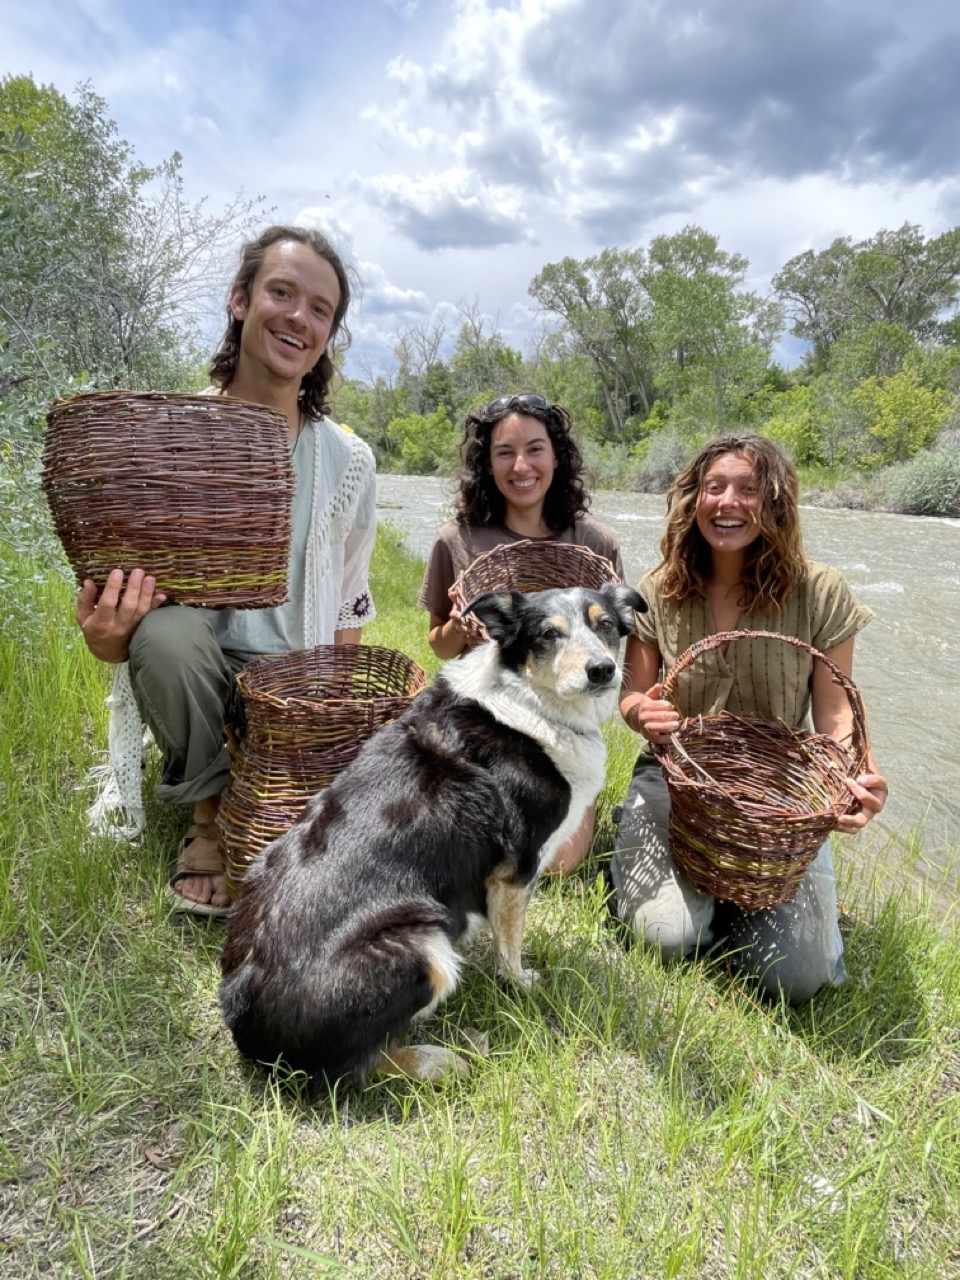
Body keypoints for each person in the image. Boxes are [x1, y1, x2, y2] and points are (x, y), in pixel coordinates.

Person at [76, 225, 377, 917]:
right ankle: (209, 815)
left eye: (320, 310)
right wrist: (106, 636)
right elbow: (112, 612)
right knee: (165, 636)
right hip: (199, 674)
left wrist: (331, 723)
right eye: (281, 292)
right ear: (240, 300)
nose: (299, 317)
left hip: (290, 688)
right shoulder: (164, 439)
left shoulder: (350, 463)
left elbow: (347, 609)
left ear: (328, 336)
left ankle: (265, 783)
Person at [609, 433, 887, 1003]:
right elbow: (632, 695)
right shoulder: (658, 591)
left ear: (776, 503)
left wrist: (858, 773)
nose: (727, 502)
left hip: (780, 799)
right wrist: (645, 712)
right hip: (675, 781)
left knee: (797, 978)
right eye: (713, 488)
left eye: (748, 489)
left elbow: (838, 714)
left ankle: (736, 896)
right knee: (666, 939)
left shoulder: (821, 591)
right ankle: (675, 875)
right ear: (693, 500)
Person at [418, 392, 624, 872]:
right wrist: (457, 625)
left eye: (535, 449)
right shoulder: (458, 539)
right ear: (486, 464)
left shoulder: (596, 541)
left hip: (568, 713)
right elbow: (438, 644)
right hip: (489, 716)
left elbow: (609, 636)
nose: (521, 466)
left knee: (560, 861)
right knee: (487, 850)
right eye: (504, 453)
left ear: (556, 455)